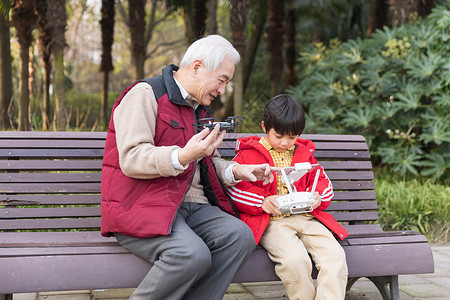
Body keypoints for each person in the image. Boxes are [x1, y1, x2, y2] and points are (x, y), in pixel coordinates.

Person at [100, 34, 274, 300]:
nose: (223, 90)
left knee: (240, 236)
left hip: (190, 206)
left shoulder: (198, 107)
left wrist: (236, 171)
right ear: (197, 67)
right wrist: (181, 156)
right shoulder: (145, 94)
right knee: (191, 255)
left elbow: (204, 161)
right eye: (222, 80)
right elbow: (132, 158)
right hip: (142, 205)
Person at [226, 94, 349, 300]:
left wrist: (318, 197)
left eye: (292, 137)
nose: (285, 142)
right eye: (279, 135)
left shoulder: (304, 153)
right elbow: (235, 189)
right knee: (295, 260)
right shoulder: (247, 155)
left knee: (334, 257)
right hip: (272, 221)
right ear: (265, 127)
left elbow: (323, 180)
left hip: (307, 217)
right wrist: (261, 202)